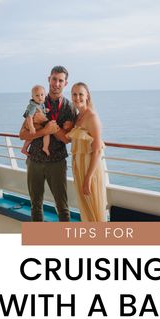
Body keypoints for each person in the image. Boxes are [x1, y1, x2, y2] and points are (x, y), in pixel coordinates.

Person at [19, 66, 76, 221]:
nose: (56, 83)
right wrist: (44, 131)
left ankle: (66, 243)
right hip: (34, 160)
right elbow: (22, 134)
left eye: (60, 80)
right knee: (35, 206)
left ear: (65, 83)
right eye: (54, 79)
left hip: (57, 163)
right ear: (48, 79)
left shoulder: (69, 107)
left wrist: (45, 122)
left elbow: (67, 139)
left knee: (63, 208)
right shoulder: (36, 101)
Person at [65, 82, 107, 221]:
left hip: (90, 171)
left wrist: (88, 179)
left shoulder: (92, 117)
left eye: (81, 94)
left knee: (94, 211)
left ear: (87, 96)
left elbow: (97, 152)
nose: (77, 97)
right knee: (86, 211)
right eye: (74, 94)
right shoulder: (78, 116)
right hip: (79, 169)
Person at [21, 85, 50, 156]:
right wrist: (31, 127)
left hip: (34, 124)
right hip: (32, 124)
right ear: (33, 97)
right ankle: (45, 147)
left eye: (42, 95)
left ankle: (24, 149)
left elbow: (40, 111)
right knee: (47, 132)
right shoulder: (33, 106)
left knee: (31, 138)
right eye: (37, 95)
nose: (40, 97)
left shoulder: (40, 104)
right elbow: (29, 117)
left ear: (45, 95)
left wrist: (45, 111)